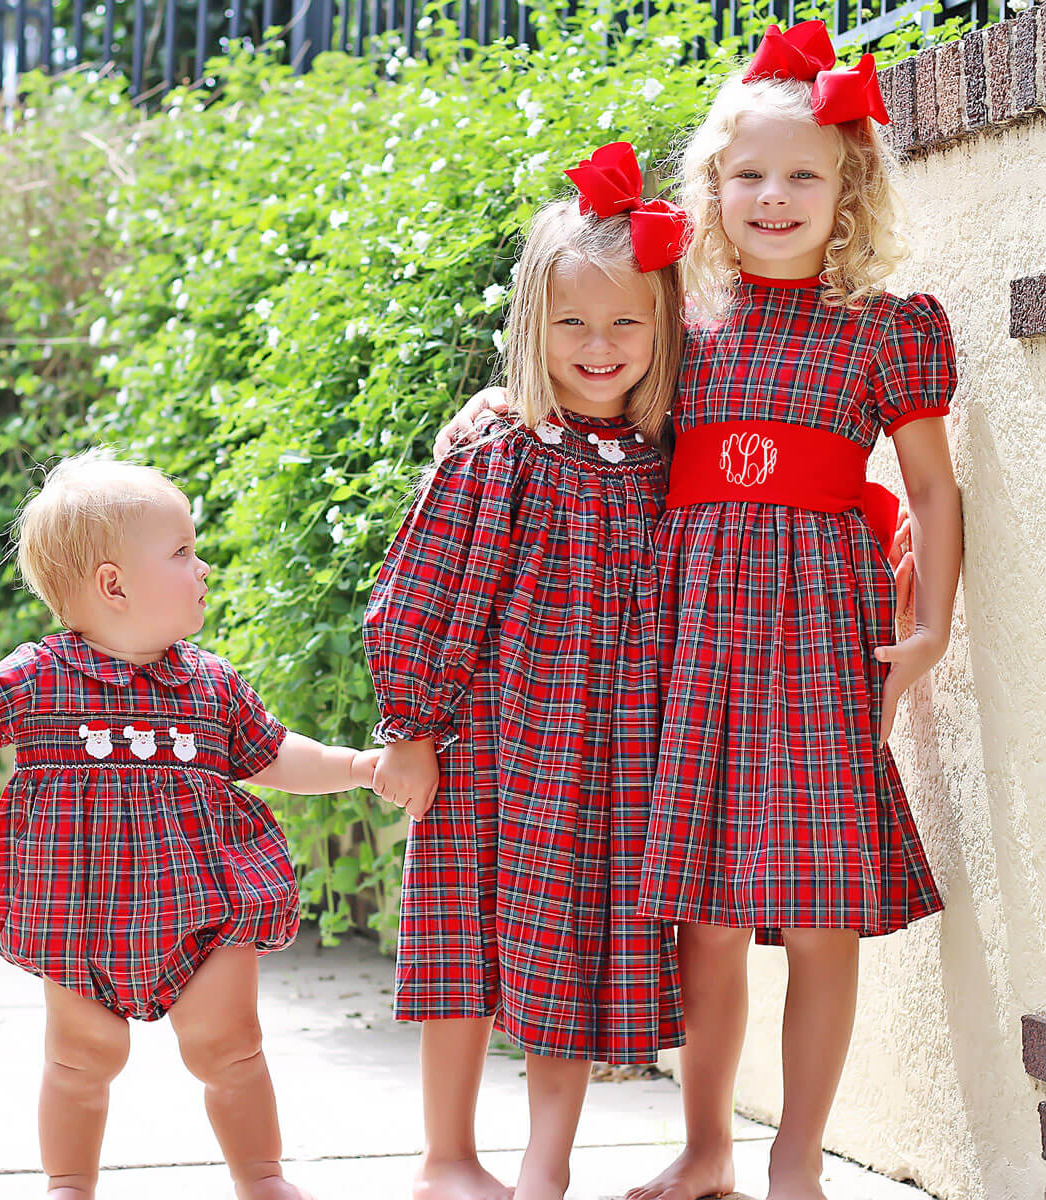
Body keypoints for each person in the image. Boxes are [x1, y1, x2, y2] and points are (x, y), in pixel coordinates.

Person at [437, 24, 961, 1200]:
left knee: (821, 910)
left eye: (805, 175)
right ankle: (709, 1146)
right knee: (707, 915)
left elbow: (929, 486)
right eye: (748, 175)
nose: (775, 197)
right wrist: (497, 402)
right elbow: (589, 377)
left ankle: (793, 1161)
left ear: (851, 187)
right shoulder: (684, 315)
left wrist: (924, 633)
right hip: (684, 641)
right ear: (711, 190)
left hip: (822, 642)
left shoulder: (882, 327)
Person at [0, 453, 379, 1200]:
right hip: (79, 912)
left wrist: (357, 765)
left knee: (229, 1043)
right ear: (114, 585)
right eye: (183, 552)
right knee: (82, 1057)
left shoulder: (208, 683)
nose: (203, 567)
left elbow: (275, 754)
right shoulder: (42, 676)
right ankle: (69, 1184)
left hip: (204, 900)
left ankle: (262, 1177)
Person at [363, 142, 690, 1200]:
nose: (599, 347)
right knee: (461, 942)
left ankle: (545, 1168)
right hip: (490, 741)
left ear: (663, 328)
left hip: (606, 759)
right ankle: (446, 1158)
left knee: (575, 958)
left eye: (624, 324)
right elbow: (425, 592)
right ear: (531, 328)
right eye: (572, 324)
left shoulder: (661, 457)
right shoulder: (501, 448)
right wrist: (410, 728)